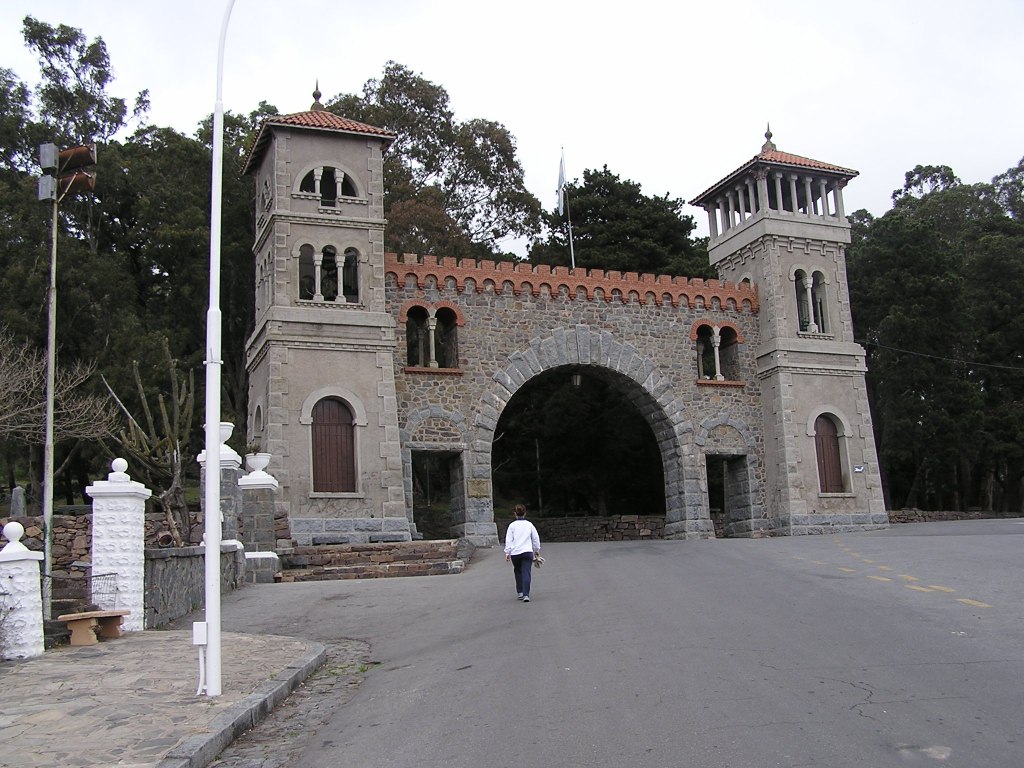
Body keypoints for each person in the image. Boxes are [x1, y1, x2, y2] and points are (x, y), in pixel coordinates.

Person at [504, 504, 541, 602]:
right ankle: (526, 594)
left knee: (518, 571)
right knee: (526, 572)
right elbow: (535, 538)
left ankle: (520, 592)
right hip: (527, 552)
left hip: (515, 553)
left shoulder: (512, 526)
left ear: (515, 514)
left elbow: (508, 540)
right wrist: (536, 550)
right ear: (525, 513)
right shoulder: (529, 525)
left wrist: (507, 552)